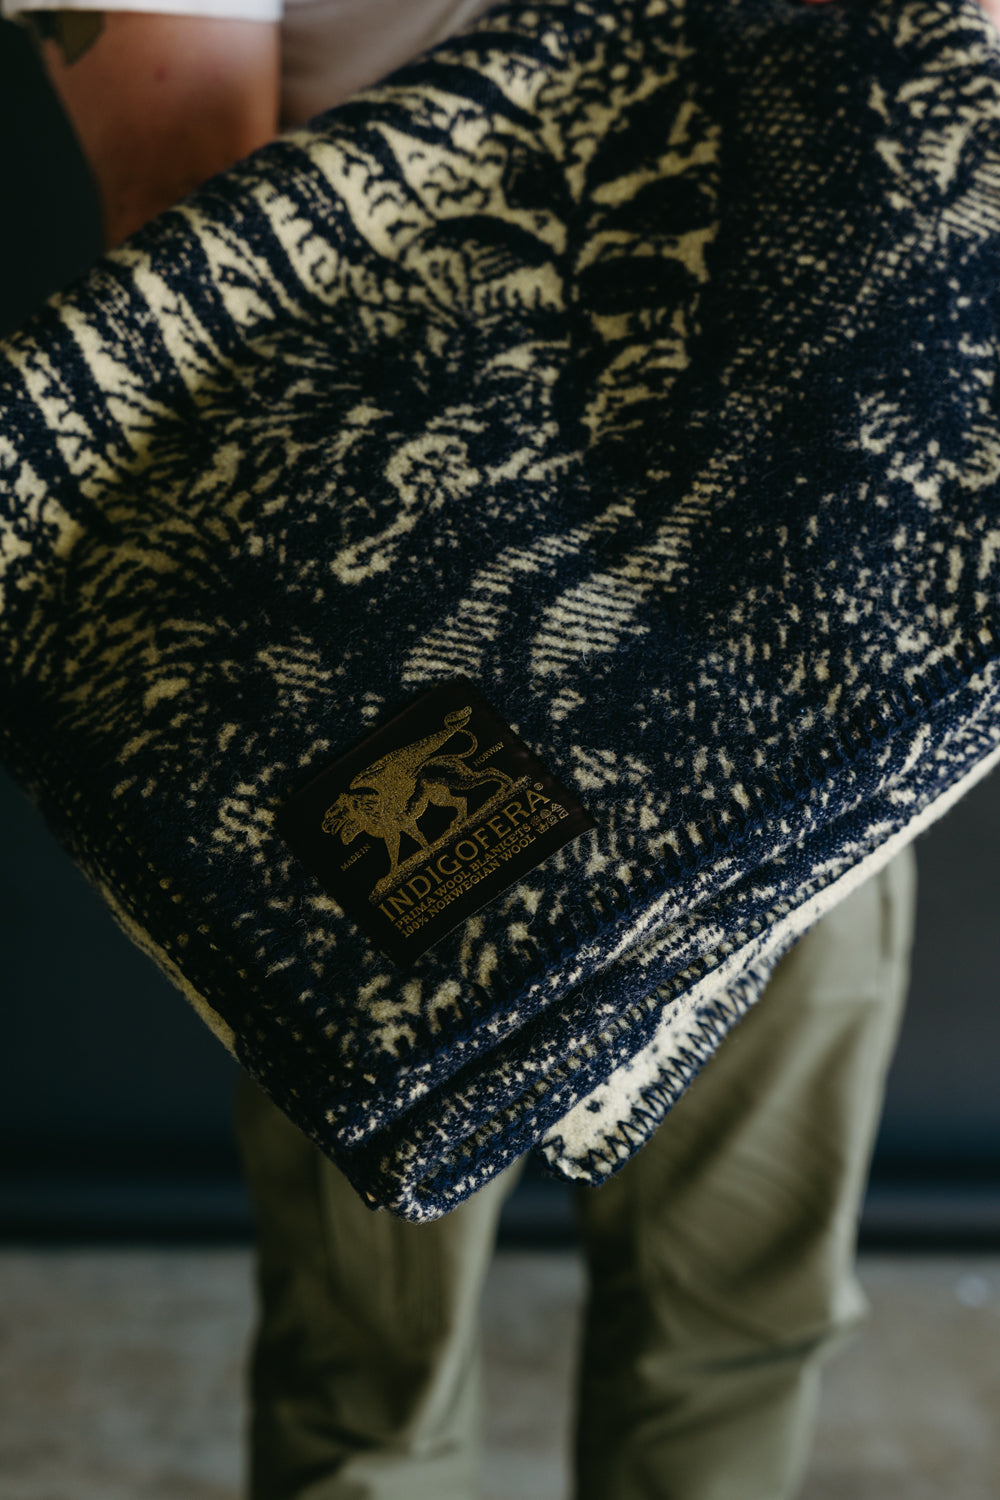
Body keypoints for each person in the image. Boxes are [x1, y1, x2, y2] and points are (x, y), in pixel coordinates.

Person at [2, 0, 945, 1494]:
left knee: (744, 1314)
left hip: (781, 631)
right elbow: (194, 254)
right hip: (406, 639)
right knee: (371, 1369)